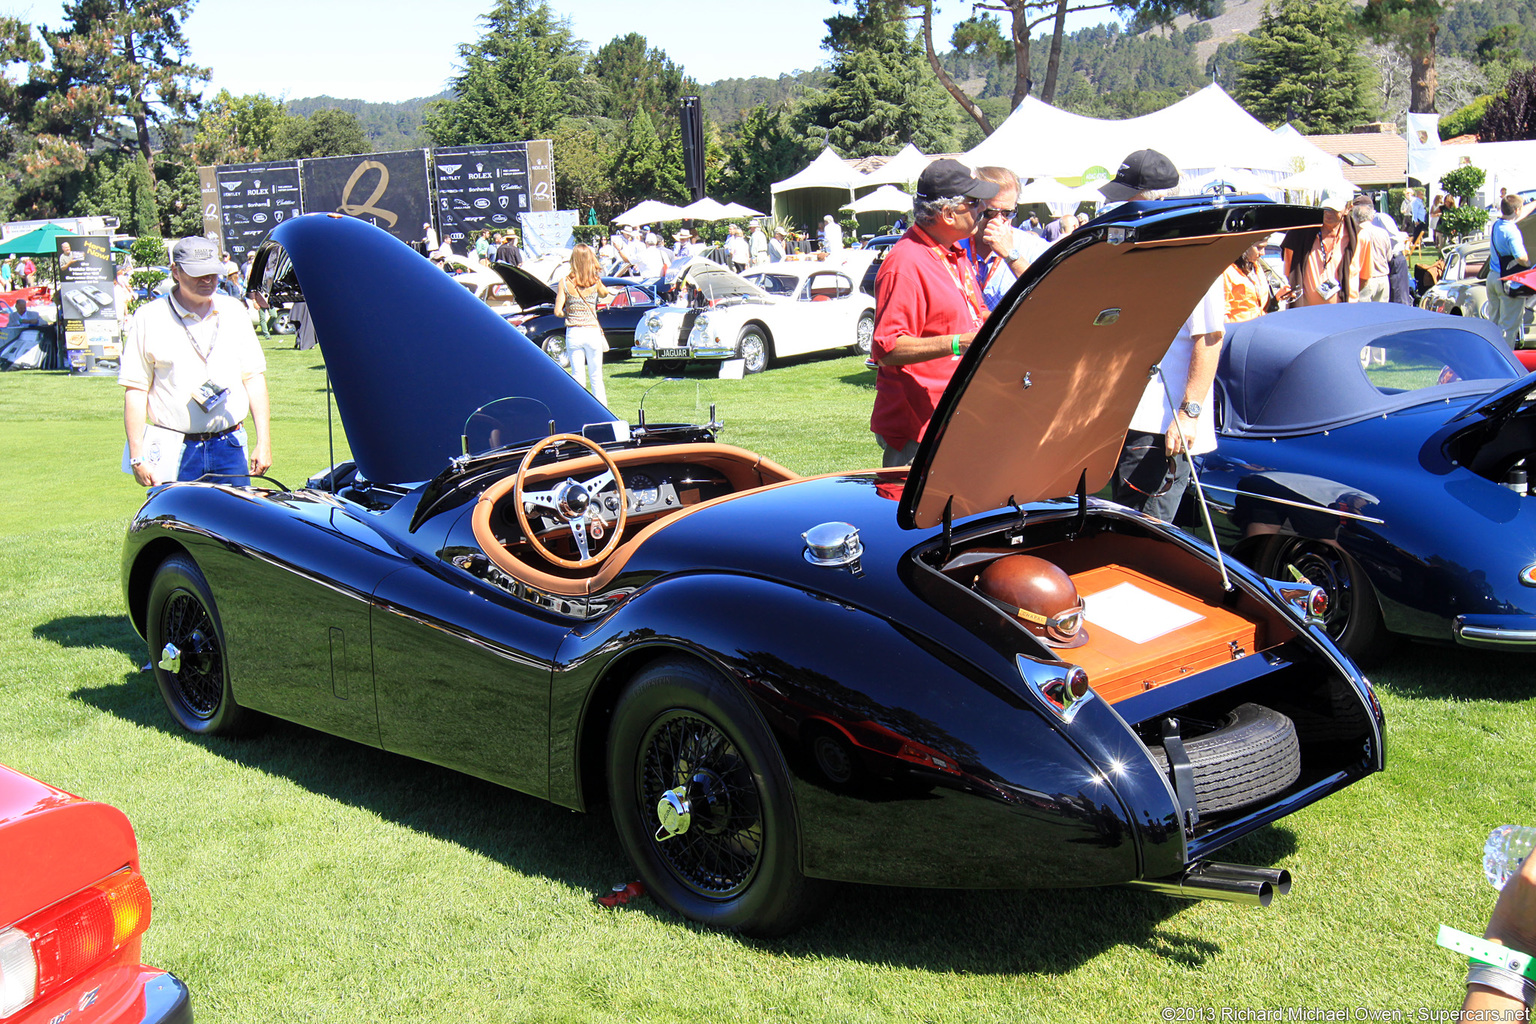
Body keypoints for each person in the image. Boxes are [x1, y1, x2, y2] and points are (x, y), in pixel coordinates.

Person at [1102, 148, 1226, 522]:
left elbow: (1209, 337)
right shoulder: (1139, 251)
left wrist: (1188, 414)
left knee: (1145, 531)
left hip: (1163, 425)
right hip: (1131, 418)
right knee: (1123, 520)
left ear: (1152, 201)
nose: (1119, 208)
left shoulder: (1196, 257)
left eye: (1127, 199)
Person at [869, 158, 994, 467]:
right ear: (948, 214)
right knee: (920, 515)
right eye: (974, 202)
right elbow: (887, 348)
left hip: (953, 417)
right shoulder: (906, 263)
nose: (982, 209)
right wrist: (958, 343)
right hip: (918, 429)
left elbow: (977, 317)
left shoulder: (952, 253)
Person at [119, 236, 271, 488]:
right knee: (177, 525)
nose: (208, 280)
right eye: (199, 274)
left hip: (230, 444)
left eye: (213, 273)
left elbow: (254, 377)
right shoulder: (149, 317)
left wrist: (264, 442)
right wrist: (137, 457)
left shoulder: (234, 311)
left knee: (233, 525)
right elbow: (136, 390)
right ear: (176, 272)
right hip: (173, 449)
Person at [959, 165, 1051, 311]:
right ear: (974, 205)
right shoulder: (952, 243)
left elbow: (1051, 296)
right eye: (990, 213)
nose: (998, 220)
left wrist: (1011, 255)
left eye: (1007, 213)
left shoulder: (1033, 247)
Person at [554, 244, 613, 407]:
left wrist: (570, 312)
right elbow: (605, 293)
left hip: (574, 332)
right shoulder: (595, 281)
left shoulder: (565, 283)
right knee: (596, 377)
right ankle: (602, 412)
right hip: (592, 331)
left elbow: (558, 311)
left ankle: (578, 410)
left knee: (577, 376)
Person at [1282, 192, 1363, 307]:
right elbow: (1289, 273)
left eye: (1334, 209)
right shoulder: (1299, 234)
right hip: (1307, 314)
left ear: (1347, 209)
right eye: (1325, 208)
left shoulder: (1356, 237)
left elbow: (1363, 277)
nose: (1328, 213)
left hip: (1342, 313)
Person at [1488, 193, 1531, 349]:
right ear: (1517, 210)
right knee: (1508, 328)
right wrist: (1529, 265)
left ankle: (1490, 359)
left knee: (1493, 325)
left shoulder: (1497, 225)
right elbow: (1521, 257)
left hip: (1492, 278)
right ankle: (1505, 366)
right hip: (1508, 282)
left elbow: (1518, 213)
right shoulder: (1512, 231)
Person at [1223, 241, 1291, 322]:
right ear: (1244, 247)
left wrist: (1276, 297)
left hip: (1258, 325)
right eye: (1259, 248)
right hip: (1238, 329)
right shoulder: (1227, 271)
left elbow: (1260, 305)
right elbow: (1223, 311)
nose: (1263, 253)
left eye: (1264, 247)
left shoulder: (1256, 267)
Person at [1352, 205, 1391, 302]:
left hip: (1365, 279)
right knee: (1382, 314)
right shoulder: (1383, 232)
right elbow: (1389, 256)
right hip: (1383, 278)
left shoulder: (1356, 234)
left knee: (1363, 313)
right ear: (1371, 216)